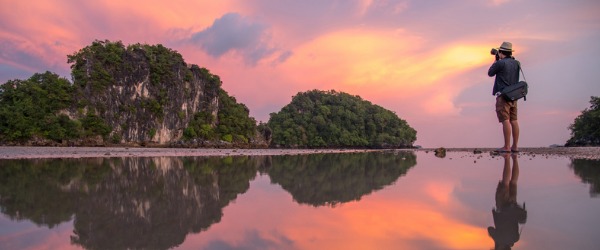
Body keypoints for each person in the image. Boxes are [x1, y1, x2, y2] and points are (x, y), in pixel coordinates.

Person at [488, 153, 527, 249]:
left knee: (513, 182)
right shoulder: (499, 239)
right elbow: (490, 229)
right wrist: (495, 239)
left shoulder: (515, 239)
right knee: (505, 184)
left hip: (513, 205)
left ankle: (515, 159)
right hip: (502, 206)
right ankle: (507, 159)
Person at [488, 41, 521, 153]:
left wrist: (496, 60)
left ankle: (506, 146)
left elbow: (490, 73)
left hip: (503, 95)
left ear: (501, 52)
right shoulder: (516, 63)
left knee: (505, 120)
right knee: (514, 120)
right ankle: (515, 146)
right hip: (514, 95)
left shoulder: (500, 63)